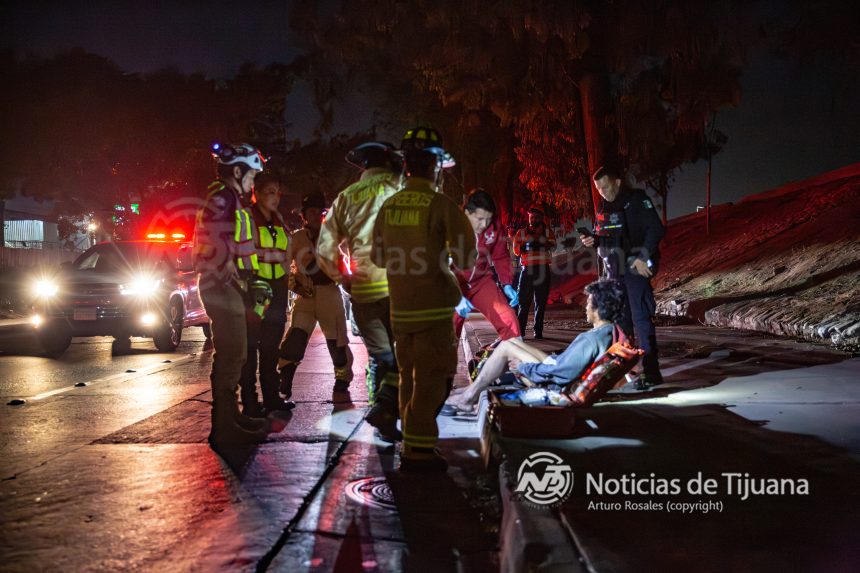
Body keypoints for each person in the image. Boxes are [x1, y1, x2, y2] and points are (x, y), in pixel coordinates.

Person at [371, 126, 477, 472]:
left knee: (408, 375)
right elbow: (466, 257)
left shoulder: (388, 207)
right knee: (434, 379)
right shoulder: (441, 205)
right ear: (434, 167)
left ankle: (410, 441)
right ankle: (418, 452)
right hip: (433, 312)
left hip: (400, 311)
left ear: (406, 166)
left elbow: (377, 257)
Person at [317, 141, 403, 442]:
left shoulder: (346, 197)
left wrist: (343, 278)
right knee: (403, 353)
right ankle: (389, 409)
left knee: (380, 355)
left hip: (364, 291)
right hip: (400, 286)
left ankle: (383, 412)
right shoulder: (401, 188)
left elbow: (325, 249)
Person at [446, 280, 625, 411]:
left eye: (588, 303)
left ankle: (469, 397)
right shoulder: (609, 331)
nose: (585, 307)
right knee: (511, 343)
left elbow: (563, 374)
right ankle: (471, 391)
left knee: (506, 349)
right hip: (558, 368)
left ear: (598, 308)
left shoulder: (590, 341)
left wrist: (525, 368)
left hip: (555, 385)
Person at [193, 143, 269, 446]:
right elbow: (218, 237)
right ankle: (224, 425)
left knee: (233, 354)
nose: (253, 183)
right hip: (222, 287)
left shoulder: (224, 197)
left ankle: (231, 415)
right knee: (231, 354)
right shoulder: (223, 197)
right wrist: (228, 272)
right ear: (237, 171)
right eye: (251, 175)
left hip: (224, 285)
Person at [580, 164, 666, 388]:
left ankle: (651, 371)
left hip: (635, 266)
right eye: (599, 188)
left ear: (617, 181)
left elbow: (656, 229)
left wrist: (643, 256)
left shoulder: (637, 199)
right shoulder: (603, 206)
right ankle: (631, 372)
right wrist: (594, 240)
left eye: (606, 186)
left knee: (641, 318)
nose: (603, 192)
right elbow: (606, 235)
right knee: (621, 322)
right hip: (614, 270)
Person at [277, 192, 354, 397]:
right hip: (306, 295)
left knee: (336, 342)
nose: (315, 215)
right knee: (296, 338)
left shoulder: (333, 237)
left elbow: (345, 265)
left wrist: (350, 285)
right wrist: (296, 286)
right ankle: (286, 380)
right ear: (303, 214)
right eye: (310, 211)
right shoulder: (296, 238)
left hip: (330, 293)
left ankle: (342, 378)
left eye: (319, 211)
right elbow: (285, 269)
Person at [239, 173, 295, 416]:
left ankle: (272, 398)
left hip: (278, 289)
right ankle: (250, 401)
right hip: (256, 289)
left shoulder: (279, 220)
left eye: (277, 193)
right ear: (257, 193)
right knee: (251, 346)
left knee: (271, 347)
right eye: (270, 192)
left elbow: (286, 252)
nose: (275, 197)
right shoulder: (247, 218)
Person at [453, 189, 521, 341]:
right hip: (454, 283)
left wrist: (506, 283)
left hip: (480, 282)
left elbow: (500, 255)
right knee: (449, 328)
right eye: (479, 219)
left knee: (508, 318)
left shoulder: (494, 226)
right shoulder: (452, 225)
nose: (483, 224)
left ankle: (518, 362)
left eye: (487, 220)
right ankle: (445, 364)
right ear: (467, 212)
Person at [512, 205, 556, 339]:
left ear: (541, 218)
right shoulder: (522, 232)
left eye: (536, 217)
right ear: (529, 218)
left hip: (543, 269)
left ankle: (538, 332)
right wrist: (525, 246)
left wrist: (540, 244)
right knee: (523, 302)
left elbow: (553, 245)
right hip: (527, 270)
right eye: (531, 217)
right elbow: (516, 250)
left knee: (540, 302)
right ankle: (521, 332)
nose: (533, 220)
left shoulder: (548, 231)